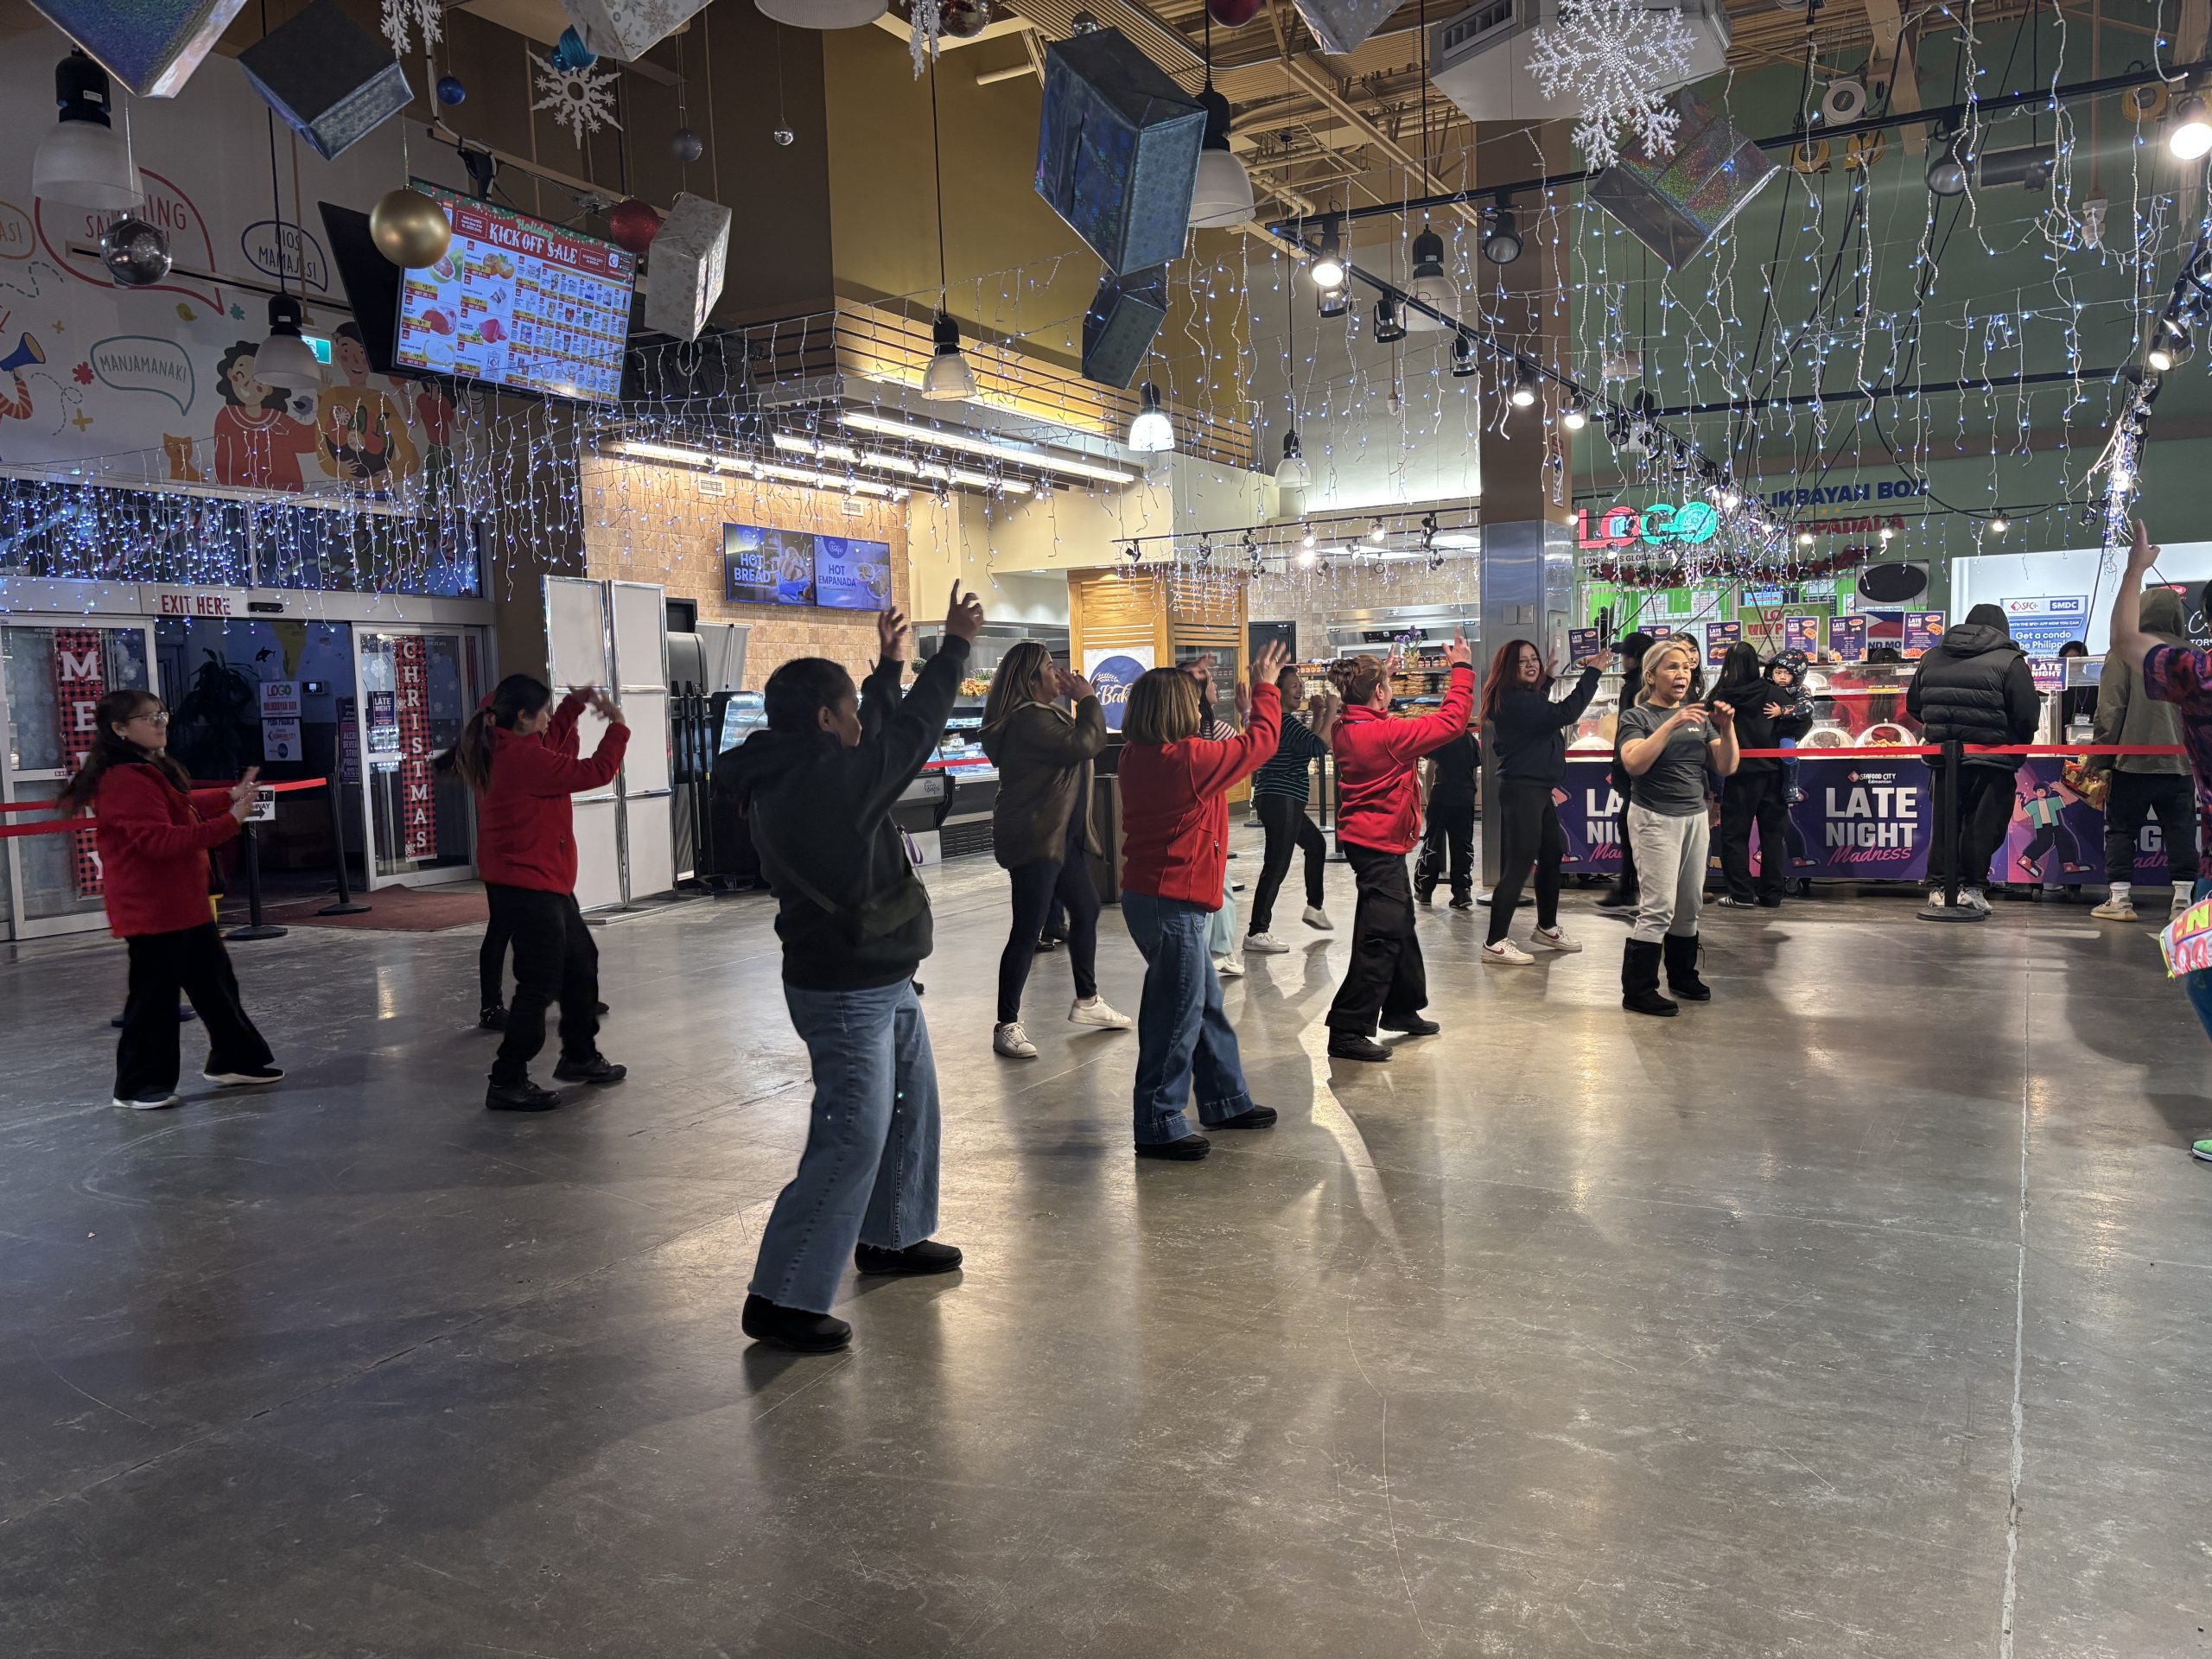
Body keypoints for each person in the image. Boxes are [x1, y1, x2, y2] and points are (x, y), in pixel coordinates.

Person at [726, 588, 981, 1351]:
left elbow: (876, 734)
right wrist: (952, 649)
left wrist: (888, 667)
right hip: (845, 988)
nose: (859, 722)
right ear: (823, 721)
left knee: (909, 1109)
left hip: (879, 974)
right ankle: (780, 1296)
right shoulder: (823, 787)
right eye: (848, 711)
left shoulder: (800, 770)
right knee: (850, 1139)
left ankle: (891, 1235)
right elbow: (905, 738)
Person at [60, 689, 283, 1110]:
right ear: (120, 729)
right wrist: (231, 821)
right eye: (149, 717)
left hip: (182, 903)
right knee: (153, 998)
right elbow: (159, 841)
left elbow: (179, 806)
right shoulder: (123, 778)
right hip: (153, 908)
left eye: (162, 714)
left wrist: (228, 796)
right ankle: (137, 1086)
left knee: (215, 985)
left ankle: (235, 1060)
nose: (161, 722)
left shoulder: (148, 769)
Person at [1114, 640, 1287, 1160]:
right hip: (1172, 903)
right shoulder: (1187, 760)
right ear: (1178, 711)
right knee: (1175, 1015)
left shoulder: (1140, 754)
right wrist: (1266, 690)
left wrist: (1191, 683)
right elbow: (1260, 746)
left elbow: (1223, 745)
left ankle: (1225, 1098)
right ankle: (1158, 1122)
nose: (1200, 708)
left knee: (1203, 1004)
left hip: (1152, 897)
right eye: (1194, 701)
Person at [446, 675, 630, 1110]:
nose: (549, 718)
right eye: (544, 711)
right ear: (523, 718)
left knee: (581, 961)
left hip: (541, 880)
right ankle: (507, 1078)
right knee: (540, 984)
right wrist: (618, 727)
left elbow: (554, 745)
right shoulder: (521, 759)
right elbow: (594, 771)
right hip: (528, 884)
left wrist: (571, 707)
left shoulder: (509, 745)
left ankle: (579, 1055)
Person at [2107, 522, 2212, 1163]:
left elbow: (2123, 645)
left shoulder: (2196, 672)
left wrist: (2134, 569)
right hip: (2181, 795)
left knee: (2202, 973)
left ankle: (2123, 895)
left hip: (2142, 772)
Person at [1322, 632, 1477, 1062]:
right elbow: (1452, 723)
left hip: (1368, 840)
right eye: (1386, 686)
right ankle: (1347, 1029)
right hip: (1378, 844)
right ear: (1378, 693)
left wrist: (1381, 679)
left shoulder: (1346, 726)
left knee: (1399, 922)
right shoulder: (1387, 735)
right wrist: (1462, 670)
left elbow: (1368, 713)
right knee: (1381, 936)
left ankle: (1401, 1007)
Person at [978, 640, 1129, 1058]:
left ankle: (1088, 1000)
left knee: (1086, 909)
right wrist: (1088, 699)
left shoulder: (1040, 714)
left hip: (1059, 836)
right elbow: (1085, 743)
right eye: (1048, 666)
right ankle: (1006, 1024)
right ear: (1030, 681)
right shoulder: (1028, 719)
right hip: (1036, 837)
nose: (1057, 672)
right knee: (1027, 930)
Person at [1616, 637, 1739, 1016]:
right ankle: (1638, 990)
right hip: (1654, 818)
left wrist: (1727, 728)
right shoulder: (1637, 717)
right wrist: (1670, 725)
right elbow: (1634, 763)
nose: (1682, 673)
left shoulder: (1697, 716)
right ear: (1651, 676)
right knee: (1659, 907)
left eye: (1686, 667)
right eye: (1672, 666)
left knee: (1689, 904)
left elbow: (1726, 766)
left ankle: (1683, 975)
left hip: (1695, 817)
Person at [1478, 637, 1611, 963]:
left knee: (1552, 852)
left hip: (1537, 789)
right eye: (1522, 661)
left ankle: (1547, 927)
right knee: (1519, 864)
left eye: (1533, 659)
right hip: (1523, 790)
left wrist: (1548, 677)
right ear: (1508, 667)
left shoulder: (1520, 697)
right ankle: (1495, 942)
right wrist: (1593, 672)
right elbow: (1566, 712)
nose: (1531, 664)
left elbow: (1538, 709)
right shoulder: (1513, 699)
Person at [1906, 604, 2038, 916]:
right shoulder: (2010, 661)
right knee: (1983, 827)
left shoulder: (1932, 657)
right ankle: (1971, 889)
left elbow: (1914, 706)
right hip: (1993, 759)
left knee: (1945, 825)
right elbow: (2027, 715)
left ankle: (1939, 889)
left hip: (1945, 757)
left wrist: (1942, 728)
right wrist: (2014, 739)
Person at [2090, 584, 2200, 922]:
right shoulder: (2196, 654)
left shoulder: (2125, 652)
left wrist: (2100, 758)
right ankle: (2183, 902)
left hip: (2131, 763)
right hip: (2182, 764)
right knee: (2181, 832)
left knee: (2121, 831)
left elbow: (2111, 709)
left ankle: (2120, 900)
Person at [1244, 666, 1338, 953]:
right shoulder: (1282, 721)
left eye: (1301, 685)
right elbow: (1320, 747)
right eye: (1294, 685)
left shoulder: (1282, 721)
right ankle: (1257, 931)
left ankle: (1314, 907)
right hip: (1280, 798)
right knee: (1277, 863)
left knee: (1316, 844)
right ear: (1278, 691)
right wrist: (1332, 710)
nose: (1300, 689)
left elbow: (1306, 748)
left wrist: (1319, 714)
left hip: (1282, 798)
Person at [1711, 641, 1811, 909]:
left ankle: (1741, 894)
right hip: (1775, 774)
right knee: (1772, 837)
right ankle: (1772, 894)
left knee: (1735, 836)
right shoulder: (1775, 693)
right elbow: (1803, 721)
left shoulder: (1721, 696)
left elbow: (1709, 729)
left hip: (1739, 775)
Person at [1183, 653, 1247, 978]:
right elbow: (1253, 750)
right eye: (1208, 680)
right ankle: (1214, 953)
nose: (1215, 685)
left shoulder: (1155, 746)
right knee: (1213, 888)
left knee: (1219, 885)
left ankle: (1218, 951)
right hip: (1206, 827)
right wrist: (1251, 711)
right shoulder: (1209, 732)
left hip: (1203, 827)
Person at [1595, 630, 1656, 913]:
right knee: (1633, 829)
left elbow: (1628, 732)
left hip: (1635, 771)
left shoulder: (1635, 687)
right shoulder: (1648, 684)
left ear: (1634, 658)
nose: (1622, 659)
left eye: (1625, 655)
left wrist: (1621, 765)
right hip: (1643, 770)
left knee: (1631, 829)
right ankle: (1629, 889)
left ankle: (1631, 890)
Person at [1414, 695, 1478, 910]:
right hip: (1465, 798)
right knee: (1463, 845)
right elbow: (1474, 772)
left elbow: (1431, 769)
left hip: (1441, 795)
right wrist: (1471, 795)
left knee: (1433, 842)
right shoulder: (1470, 740)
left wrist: (1427, 797)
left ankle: (1424, 890)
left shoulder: (1440, 737)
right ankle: (1462, 891)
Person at [2057, 639, 2099, 733]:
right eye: (2067, 659)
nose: (2072, 663)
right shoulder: (2057, 686)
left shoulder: (2095, 684)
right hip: (2061, 734)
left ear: (2084, 660)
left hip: (2091, 733)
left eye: (2076, 658)